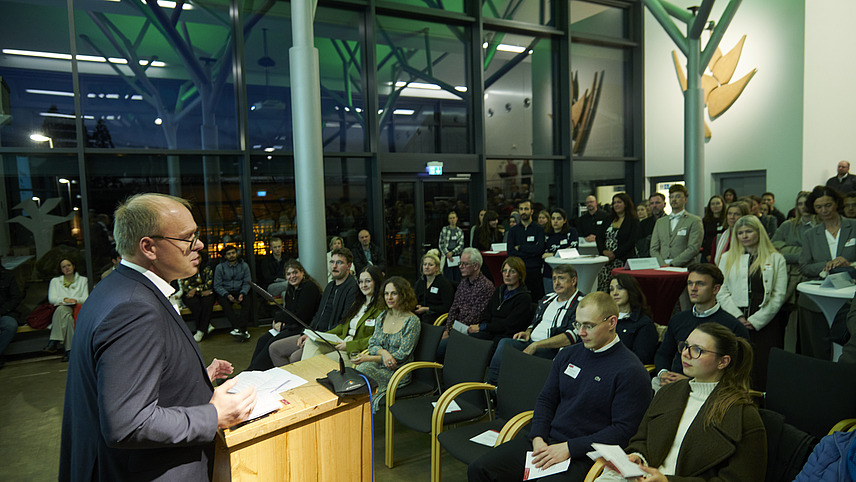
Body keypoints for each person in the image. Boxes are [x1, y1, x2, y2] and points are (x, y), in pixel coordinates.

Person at [60, 193, 257, 481]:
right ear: (148, 247)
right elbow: (128, 423)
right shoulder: (134, 308)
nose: (199, 244)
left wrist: (191, 378)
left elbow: (124, 379)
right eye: (187, 237)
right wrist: (213, 415)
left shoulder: (115, 287)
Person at [467, 292, 652, 481]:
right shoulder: (568, 355)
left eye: (589, 326)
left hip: (586, 454)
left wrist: (569, 448)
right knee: (480, 469)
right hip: (546, 441)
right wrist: (538, 437)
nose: (581, 332)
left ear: (612, 322)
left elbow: (623, 431)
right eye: (578, 325)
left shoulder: (631, 371)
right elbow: (546, 399)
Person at [596, 323, 765, 482]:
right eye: (685, 346)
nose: (685, 353)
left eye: (697, 350)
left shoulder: (744, 416)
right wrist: (638, 457)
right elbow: (642, 440)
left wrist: (668, 480)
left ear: (723, 362)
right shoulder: (670, 392)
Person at [717, 215, 787, 390]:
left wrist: (757, 320)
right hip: (735, 315)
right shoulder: (727, 257)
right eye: (740, 233)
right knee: (736, 361)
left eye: (749, 231)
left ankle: (764, 399)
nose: (744, 236)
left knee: (764, 363)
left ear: (759, 232)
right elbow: (722, 290)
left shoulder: (776, 258)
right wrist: (737, 317)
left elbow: (779, 294)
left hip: (766, 318)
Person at [654, 263, 749, 389]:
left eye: (700, 284)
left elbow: (737, 371)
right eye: (690, 283)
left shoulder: (732, 326)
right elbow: (663, 354)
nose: (693, 288)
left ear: (716, 289)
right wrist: (663, 373)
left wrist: (692, 381)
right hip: (673, 383)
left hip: (711, 388)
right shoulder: (678, 319)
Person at [486, 264, 584, 385]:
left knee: (519, 359)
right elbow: (535, 322)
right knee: (505, 343)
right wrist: (527, 332)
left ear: (573, 281)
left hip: (552, 349)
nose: (557, 283)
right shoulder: (548, 298)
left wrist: (537, 345)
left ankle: (510, 387)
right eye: (554, 279)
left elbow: (570, 337)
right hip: (531, 342)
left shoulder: (581, 304)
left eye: (561, 278)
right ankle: (491, 385)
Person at [799, 185, 856, 359]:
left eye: (828, 205)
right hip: (818, 299)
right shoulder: (810, 234)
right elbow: (804, 267)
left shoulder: (853, 226)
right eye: (819, 207)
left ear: (837, 203)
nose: (824, 210)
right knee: (819, 351)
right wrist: (827, 265)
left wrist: (850, 264)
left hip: (850, 299)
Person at [352, 276, 421, 412]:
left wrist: (370, 358)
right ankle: (358, 412)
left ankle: (361, 413)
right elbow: (372, 344)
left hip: (398, 371)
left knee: (362, 372)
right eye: (386, 293)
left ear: (404, 295)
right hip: (379, 365)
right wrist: (383, 353)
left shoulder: (412, 321)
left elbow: (402, 356)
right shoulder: (383, 316)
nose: (389, 297)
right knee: (359, 373)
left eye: (394, 293)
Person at [298, 265, 384, 366]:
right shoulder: (358, 303)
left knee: (319, 361)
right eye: (360, 282)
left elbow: (376, 338)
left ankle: (304, 374)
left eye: (368, 281)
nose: (363, 285)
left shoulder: (381, 308)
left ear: (376, 282)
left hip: (356, 349)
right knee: (311, 342)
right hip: (342, 341)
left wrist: (349, 345)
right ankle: (304, 373)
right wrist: (318, 336)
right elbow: (342, 327)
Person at [247, 259, 322, 370]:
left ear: (302, 272)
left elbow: (300, 316)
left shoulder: (309, 287)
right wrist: (278, 320)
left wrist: (278, 318)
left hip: (304, 328)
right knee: (262, 340)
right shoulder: (291, 289)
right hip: (292, 325)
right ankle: (251, 371)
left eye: (295, 272)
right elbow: (287, 311)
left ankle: (252, 372)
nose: (292, 276)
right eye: (288, 274)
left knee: (271, 343)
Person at [439, 248, 495, 358]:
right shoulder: (464, 282)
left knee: (440, 348)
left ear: (476, 266)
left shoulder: (486, 286)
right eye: (460, 263)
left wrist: (453, 332)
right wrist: (447, 329)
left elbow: (476, 316)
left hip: (471, 331)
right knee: (434, 341)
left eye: (465, 264)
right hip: (457, 328)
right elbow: (454, 308)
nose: (460, 267)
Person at [468, 257, 531, 346]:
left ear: (520, 275)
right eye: (505, 271)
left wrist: (484, 327)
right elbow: (487, 313)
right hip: (490, 332)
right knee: (468, 339)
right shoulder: (499, 290)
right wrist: (481, 326)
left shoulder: (524, 298)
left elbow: (509, 325)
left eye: (512, 271)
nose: (507, 275)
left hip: (506, 336)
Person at [44, 258, 89, 362]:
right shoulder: (55, 281)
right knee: (67, 318)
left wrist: (74, 300)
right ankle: (70, 351)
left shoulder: (83, 280)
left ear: (73, 266)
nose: (67, 268)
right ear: (61, 270)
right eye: (63, 267)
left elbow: (86, 298)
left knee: (61, 310)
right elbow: (52, 299)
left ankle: (54, 340)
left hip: (77, 309)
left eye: (68, 265)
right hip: (63, 310)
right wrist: (64, 300)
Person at [650, 184, 703, 268]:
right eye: (671, 197)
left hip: (685, 267)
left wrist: (673, 263)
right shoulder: (660, 222)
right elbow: (653, 248)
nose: (674, 200)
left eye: (678, 196)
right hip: (662, 267)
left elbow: (693, 248)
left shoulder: (694, 220)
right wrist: (662, 264)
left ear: (685, 199)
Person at [609, 273, 658, 364]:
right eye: (611, 289)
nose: (615, 293)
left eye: (620, 288)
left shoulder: (643, 323)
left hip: (624, 368)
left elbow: (640, 359)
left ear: (630, 290)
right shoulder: (604, 318)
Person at [597, 193, 640, 292]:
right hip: (606, 261)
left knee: (620, 288)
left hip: (622, 260)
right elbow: (599, 237)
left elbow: (632, 241)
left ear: (626, 204)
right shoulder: (608, 219)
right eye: (614, 203)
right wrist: (603, 251)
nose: (616, 205)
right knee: (603, 287)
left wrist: (614, 254)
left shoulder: (633, 221)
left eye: (619, 202)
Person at [313, 247, 359, 333]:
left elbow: (344, 321)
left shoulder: (353, 288)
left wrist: (323, 335)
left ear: (349, 266)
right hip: (316, 333)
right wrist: (308, 331)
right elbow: (318, 314)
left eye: (339, 262)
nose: (334, 266)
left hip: (331, 336)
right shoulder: (329, 286)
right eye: (332, 262)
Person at [507, 199, 546, 300]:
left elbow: (539, 249)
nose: (523, 212)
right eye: (521, 209)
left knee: (535, 300)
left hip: (534, 271)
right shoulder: (513, 231)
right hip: (518, 271)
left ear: (531, 211)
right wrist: (531, 250)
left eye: (526, 209)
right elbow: (510, 251)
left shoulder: (539, 229)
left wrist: (520, 247)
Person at [213, 245, 252, 342]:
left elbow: (247, 282)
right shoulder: (220, 267)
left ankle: (241, 329)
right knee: (225, 303)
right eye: (229, 254)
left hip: (240, 290)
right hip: (226, 291)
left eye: (233, 253)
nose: (231, 255)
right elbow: (217, 285)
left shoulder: (244, 266)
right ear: (225, 256)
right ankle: (238, 328)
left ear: (236, 254)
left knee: (247, 301)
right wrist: (227, 295)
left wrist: (242, 293)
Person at [181, 251, 216, 342]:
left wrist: (196, 290)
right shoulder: (186, 269)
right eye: (194, 258)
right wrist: (199, 291)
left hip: (203, 293)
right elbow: (185, 286)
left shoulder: (207, 268)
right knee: (194, 302)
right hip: (192, 294)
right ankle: (206, 326)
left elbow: (208, 284)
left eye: (198, 258)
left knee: (207, 301)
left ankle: (200, 331)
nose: (196, 260)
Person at [542, 208, 579, 294]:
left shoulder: (571, 232)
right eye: (553, 218)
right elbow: (543, 254)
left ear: (564, 220)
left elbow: (572, 250)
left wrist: (553, 254)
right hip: (549, 273)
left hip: (566, 273)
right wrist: (562, 252)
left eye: (559, 219)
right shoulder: (546, 234)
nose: (555, 221)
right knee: (551, 297)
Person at [413, 250, 454, 324]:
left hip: (436, 316)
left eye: (430, 265)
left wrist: (427, 309)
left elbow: (447, 307)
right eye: (425, 264)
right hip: (420, 314)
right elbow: (414, 298)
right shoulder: (420, 282)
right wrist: (416, 305)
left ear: (437, 267)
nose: (426, 267)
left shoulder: (443, 283)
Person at [712, 201, 750, 266]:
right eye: (729, 213)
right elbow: (712, 263)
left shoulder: (749, 238)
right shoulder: (719, 238)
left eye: (737, 214)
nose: (732, 217)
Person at [0, 265, 23, 369]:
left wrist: (2, 311)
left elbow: (16, 298)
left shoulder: (8, 277)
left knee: (10, 326)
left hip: (5, 313)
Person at [438, 211, 465, 283]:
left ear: (456, 219)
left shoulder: (459, 231)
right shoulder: (444, 229)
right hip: (446, 255)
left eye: (453, 218)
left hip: (456, 255)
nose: (452, 220)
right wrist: (447, 253)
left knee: (457, 277)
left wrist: (452, 253)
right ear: (448, 220)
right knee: (447, 277)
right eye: (450, 218)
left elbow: (461, 245)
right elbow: (441, 243)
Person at [637, 192, 666, 257]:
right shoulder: (644, 223)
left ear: (664, 204)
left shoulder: (670, 221)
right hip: (648, 257)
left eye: (657, 203)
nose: (654, 206)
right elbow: (639, 243)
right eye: (652, 203)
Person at [702, 195, 727, 262]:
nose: (715, 206)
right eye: (712, 204)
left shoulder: (727, 220)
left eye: (718, 203)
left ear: (723, 205)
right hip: (708, 253)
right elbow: (703, 239)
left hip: (724, 253)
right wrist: (707, 254)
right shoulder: (705, 221)